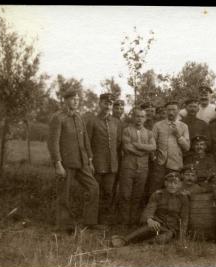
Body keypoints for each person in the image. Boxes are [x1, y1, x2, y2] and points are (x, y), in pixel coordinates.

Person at [47, 90, 100, 233]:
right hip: (66, 163)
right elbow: (53, 143)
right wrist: (57, 163)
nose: (76, 101)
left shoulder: (79, 117)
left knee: (93, 187)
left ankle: (89, 222)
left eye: (78, 99)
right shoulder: (58, 118)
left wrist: (89, 160)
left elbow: (86, 140)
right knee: (63, 194)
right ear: (65, 100)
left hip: (82, 163)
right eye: (73, 99)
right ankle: (64, 226)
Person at [111, 172, 189, 247]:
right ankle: (124, 240)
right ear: (165, 183)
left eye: (175, 183)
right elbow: (149, 209)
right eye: (170, 183)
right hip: (158, 224)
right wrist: (149, 220)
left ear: (180, 184)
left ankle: (145, 243)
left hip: (171, 229)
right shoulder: (158, 194)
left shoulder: (183, 198)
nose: (172, 186)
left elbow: (184, 218)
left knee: (163, 238)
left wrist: (181, 236)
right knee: (148, 228)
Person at [86, 93, 123, 225]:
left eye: (110, 104)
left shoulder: (116, 122)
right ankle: (91, 221)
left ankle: (103, 221)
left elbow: (118, 143)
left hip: (112, 165)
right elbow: (87, 143)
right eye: (105, 103)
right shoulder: (92, 121)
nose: (108, 106)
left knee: (108, 193)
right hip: (97, 164)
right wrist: (90, 162)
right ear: (100, 103)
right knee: (95, 193)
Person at [117, 108, 156, 228]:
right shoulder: (127, 130)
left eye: (142, 117)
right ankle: (124, 222)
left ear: (145, 118)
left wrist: (138, 146)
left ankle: (133, 222)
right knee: (125, 195)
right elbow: (127, 147)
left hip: (143, 168)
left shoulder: (149, 133)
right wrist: (144, 150)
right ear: (133, 117)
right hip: (128, 167)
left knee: (137, 195)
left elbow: (153, 147)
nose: (139, 119)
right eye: (137, 116)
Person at [147, 101, 190, 199]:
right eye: (169, 110)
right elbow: (152, 142)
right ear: (166, 111)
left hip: (175, 163)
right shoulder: (158, 125)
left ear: (178, 111)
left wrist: (178, 135)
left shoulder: (183, 126)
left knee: (173, 190)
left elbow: (187, 147)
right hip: (160, 163)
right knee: (155, 190)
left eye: (173, 110)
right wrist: (153, 157)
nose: (171, 112)